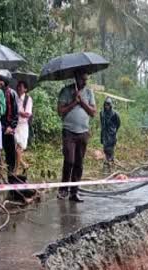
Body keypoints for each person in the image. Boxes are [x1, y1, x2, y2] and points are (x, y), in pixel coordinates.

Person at [57, 71, 96, 203]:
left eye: (86, 79)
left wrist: (82, 101)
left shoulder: (89, 92)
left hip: (83, 132)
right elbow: (60, 111)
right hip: (69, 131)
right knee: (69, 161)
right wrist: (74, 101)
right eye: (83, 79)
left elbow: (93, 112)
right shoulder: (66, 91)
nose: (85, 82)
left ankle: (74, 192)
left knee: (79, 163)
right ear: (76, 78)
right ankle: (63, 189)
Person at [0, 70, 19, 181]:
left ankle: (11, 178)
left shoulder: (11, 93)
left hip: (8, 128)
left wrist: (11, 127)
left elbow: (15, 113)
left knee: (10, 155)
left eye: (1, 80)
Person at [15, 80, 32, 173]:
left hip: (22, 126)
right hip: (15, 125)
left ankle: (16, 170)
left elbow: (27, 114)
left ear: (25, 89)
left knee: (19, 148)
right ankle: (24, 165)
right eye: (18, 86)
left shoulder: (28, 99)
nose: (19, 88)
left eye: (21, 86)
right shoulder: (15, 98)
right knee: (15, 149)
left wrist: (19, 111)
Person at [100, 96, 120, 166]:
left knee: (110, 149)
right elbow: (102, 123)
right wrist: (102, 133)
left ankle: (110, 161)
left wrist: (114, 131)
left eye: (108, 104)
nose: (106, 106)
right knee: (105, 148)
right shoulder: (102, 113)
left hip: (111, 134)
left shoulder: (115, 114)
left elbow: (118, 124)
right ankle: (107, 161)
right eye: (105, 104)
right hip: (104, 133)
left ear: (110, 105)